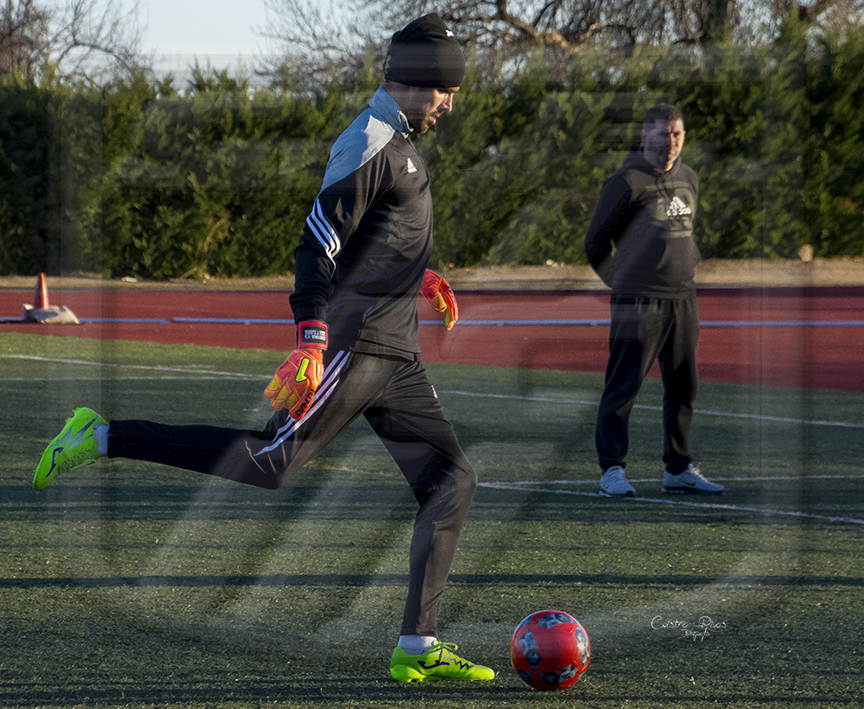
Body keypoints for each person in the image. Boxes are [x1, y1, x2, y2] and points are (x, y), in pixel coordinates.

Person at [32, 14, 495, 684]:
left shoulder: (400, 142)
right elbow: (318, 244)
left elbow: (371, 234)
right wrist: (311, 339)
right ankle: (100, 435)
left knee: (452, 480)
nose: (450, 103)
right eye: (446, 89)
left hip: (396, 353)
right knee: (271, 463)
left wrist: (416, 273)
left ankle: (418, 646)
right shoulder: (370, 139)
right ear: (420, 78)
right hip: (356, 345)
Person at [584, 102, 723, 498]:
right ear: (646, 136)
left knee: (683, 387)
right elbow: (595, 243)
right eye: (663, 134)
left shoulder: (689, 177)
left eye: (677, 134)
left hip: (683, 299)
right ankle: (612, 469)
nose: (671, 141)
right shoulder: (625, 182)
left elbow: (683, 232)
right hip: (638, 302)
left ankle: (677, 468)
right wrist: (622, 284)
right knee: (623, 387)